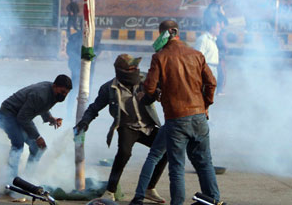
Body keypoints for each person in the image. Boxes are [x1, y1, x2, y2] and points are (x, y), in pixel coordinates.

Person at [142, 20, 219, 205]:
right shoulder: (196, 54)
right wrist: (205, 105)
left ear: (163, 34)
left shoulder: (160, 57)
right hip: (199, 116)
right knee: (204, 163)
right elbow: (212, 83)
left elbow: (149, 87)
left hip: (176, 117)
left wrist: (158, 94)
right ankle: (214, 201)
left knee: (177, 167)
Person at [74, 54, 166, 204]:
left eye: (136, 68)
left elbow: (165, 86)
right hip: (127, 127)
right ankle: (110, 191)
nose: (136, 71)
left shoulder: (146, 80)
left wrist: (158, 92)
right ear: (121, 71)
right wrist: (85, 122)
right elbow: (94, 108)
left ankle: (149, 188)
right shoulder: (109, 88)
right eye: (132, 69)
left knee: (166, 149)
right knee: (123, 154)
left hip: (147, 126)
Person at [0, 74, 72, 180]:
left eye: (66, 93)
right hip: (7, 115)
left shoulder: (52, 92)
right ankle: (10, 181)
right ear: (55, 86)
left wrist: (51, 118)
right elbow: (23, 118)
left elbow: (42, 106)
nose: (63, 96)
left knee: (38, 148)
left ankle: (27, 179)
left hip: (19, 116)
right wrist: (37, 137)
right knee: (18, 144)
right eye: (62, 92)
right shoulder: (41, 94)